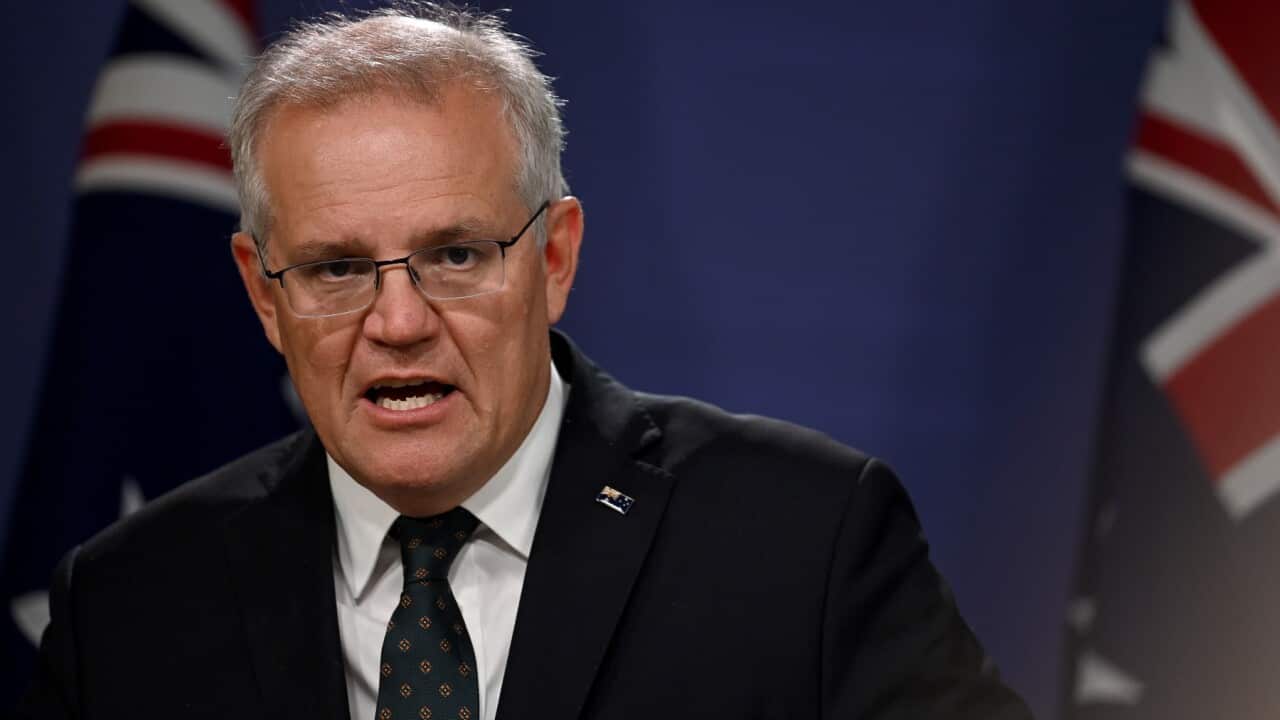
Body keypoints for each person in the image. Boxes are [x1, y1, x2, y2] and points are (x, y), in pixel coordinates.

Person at [18, 5, 1032, 720]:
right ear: (262, 294)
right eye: (335, 268)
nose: (399, 321)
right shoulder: (130, 603)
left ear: (553, 259)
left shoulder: (802, 544)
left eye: (455, 255)